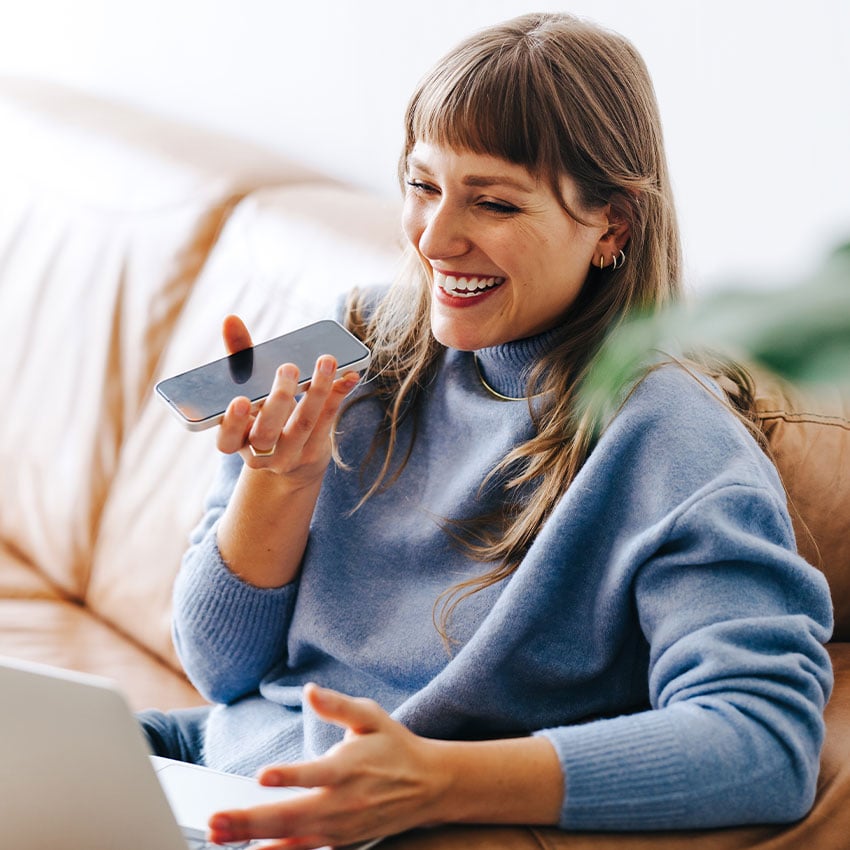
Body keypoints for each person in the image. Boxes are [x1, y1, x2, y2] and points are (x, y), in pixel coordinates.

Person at [139, 12, 833, 849]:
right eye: (422, 185)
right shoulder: (355, 339)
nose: (434, 239)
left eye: (493, 201)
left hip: (347, 822)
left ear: (611, 225)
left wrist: (438, 784)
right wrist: (279, 483)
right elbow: (222, 673)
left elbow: (764, 742)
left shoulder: (671, 442)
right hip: (211, 764)